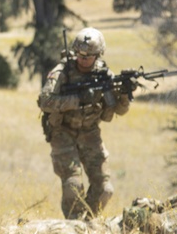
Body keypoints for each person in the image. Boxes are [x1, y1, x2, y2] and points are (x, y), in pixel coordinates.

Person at [37, 27, 130, 220]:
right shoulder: (62, 72)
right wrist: (77, 99)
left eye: (88, 57)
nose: (83, 59)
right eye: (79, 55)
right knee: (73, 185)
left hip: (90, 133)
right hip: (63, 133)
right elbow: (45, 101)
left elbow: (118, 111)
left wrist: (125, 94)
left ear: (98, 55)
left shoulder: (104, 75)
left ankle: (87, 222)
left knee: (105, 189)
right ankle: (73, 224)